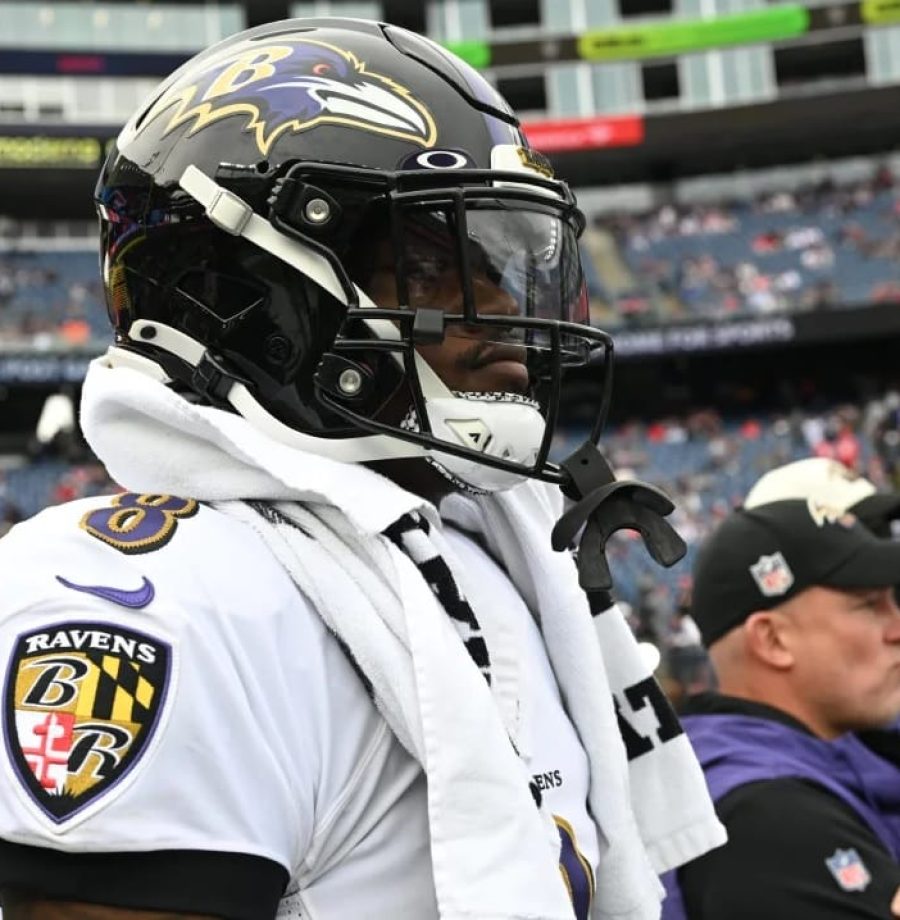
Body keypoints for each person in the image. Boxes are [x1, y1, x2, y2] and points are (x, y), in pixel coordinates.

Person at [0, 18, 724, 920]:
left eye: (504, 267)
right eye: (436, 264)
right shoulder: (159, 601)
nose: (503, 311)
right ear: (256, 291)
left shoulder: (492, 559)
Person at [662, 488, 900, 920]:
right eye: (868, 607)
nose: (896, 629)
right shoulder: (767, 815)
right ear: (773, 640)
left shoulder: (779, 765)